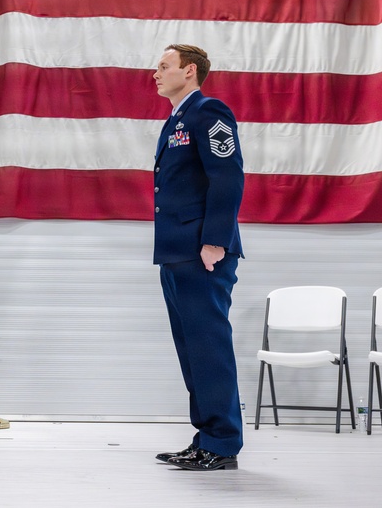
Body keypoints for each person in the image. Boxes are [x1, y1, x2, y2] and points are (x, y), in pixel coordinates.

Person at [151, 44, 244, 471]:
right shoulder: (177, 119)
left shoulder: (210, 112)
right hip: (176, 252)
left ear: (189, 71)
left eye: (164, 66)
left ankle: (222, 443)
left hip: (202, 253)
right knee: (192, 351)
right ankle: (206, 436)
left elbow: (227, 177)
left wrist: (215, 241)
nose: (156, 73)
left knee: (209, 349)